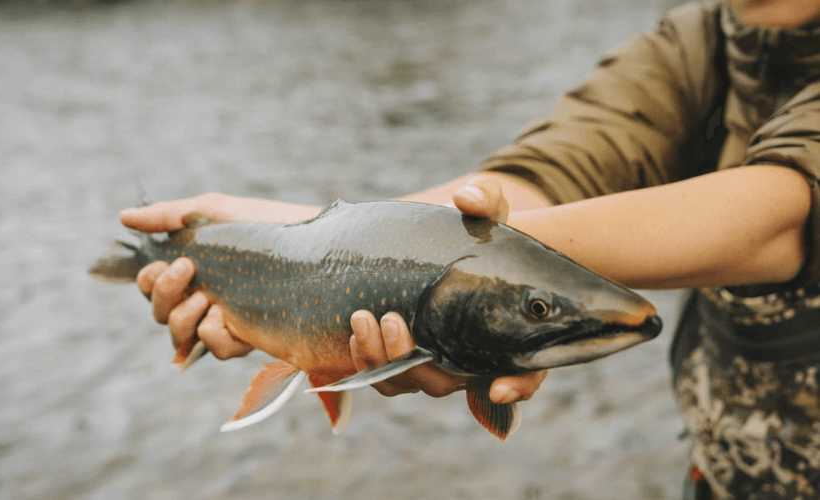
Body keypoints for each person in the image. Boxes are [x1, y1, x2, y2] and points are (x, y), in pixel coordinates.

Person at [119, 0, 820, 497]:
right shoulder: (699, 40)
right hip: (724, 475)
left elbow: (777, 217)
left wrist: (438, 275)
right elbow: (537, 178)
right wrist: (294, 238)